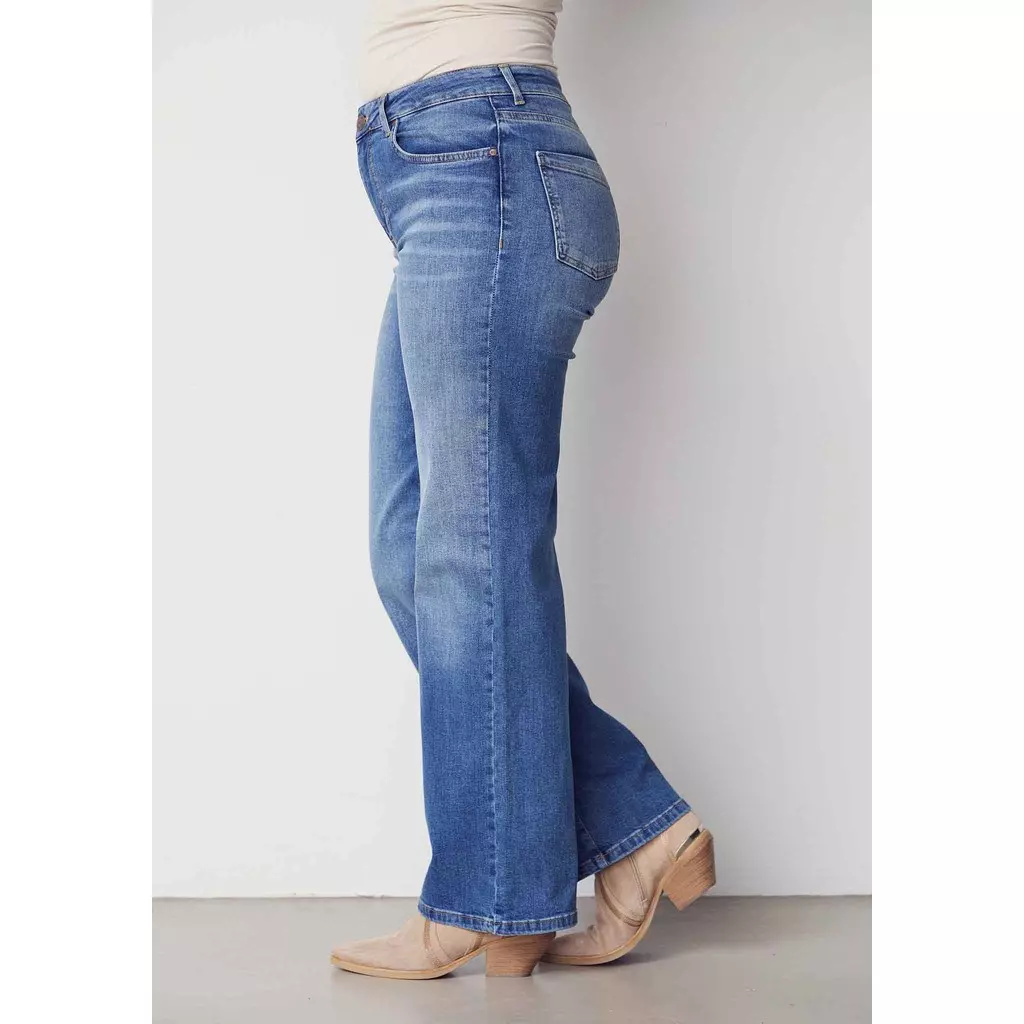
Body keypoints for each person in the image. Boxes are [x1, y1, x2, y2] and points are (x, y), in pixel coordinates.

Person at [331, 0, 715, 980]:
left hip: (483, 156)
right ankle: (634, 827)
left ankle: (488, 895)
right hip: (447, 171)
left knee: (473, 557)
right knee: (411, 548)